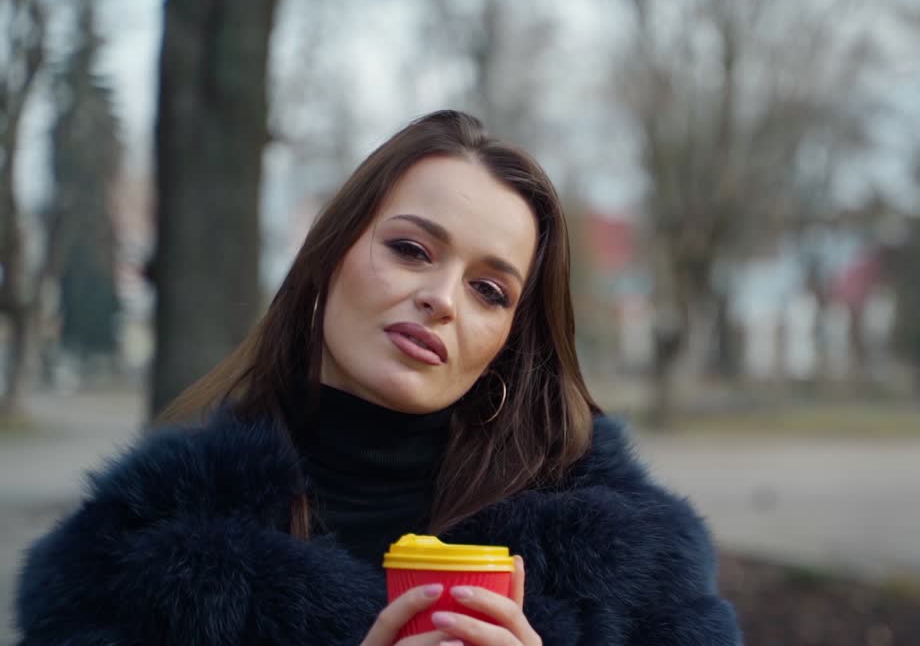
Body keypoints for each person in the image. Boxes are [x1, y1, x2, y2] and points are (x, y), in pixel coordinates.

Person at [15, 110, 741, 646]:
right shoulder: (141, 543)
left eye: (491, 291)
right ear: (331, 254)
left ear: (507, 346)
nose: (442, 298)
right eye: (412, 249)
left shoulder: (630, 562)